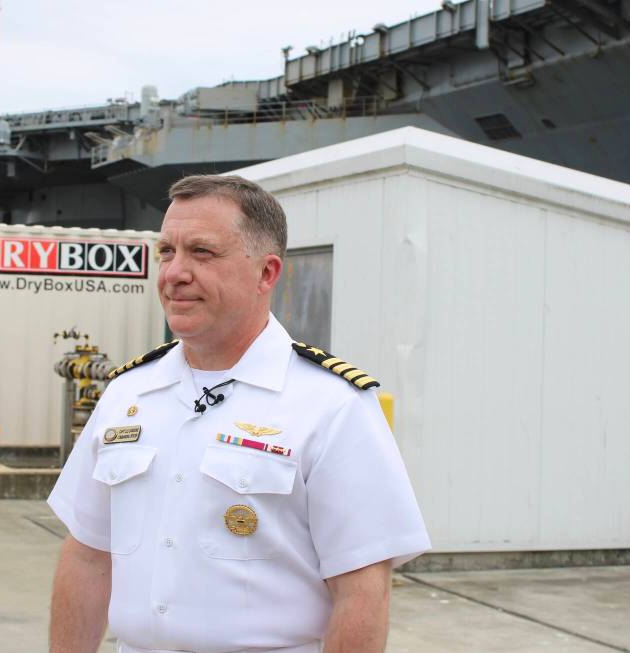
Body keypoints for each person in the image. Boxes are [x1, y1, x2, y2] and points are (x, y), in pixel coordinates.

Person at [47, 174, 429, 653]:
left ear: (266, 273)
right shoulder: (130, 393)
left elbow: (362, 593)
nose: (173, 273)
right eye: (167, 251)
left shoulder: (331, 406)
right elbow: (87, 557)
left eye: (202, 253)